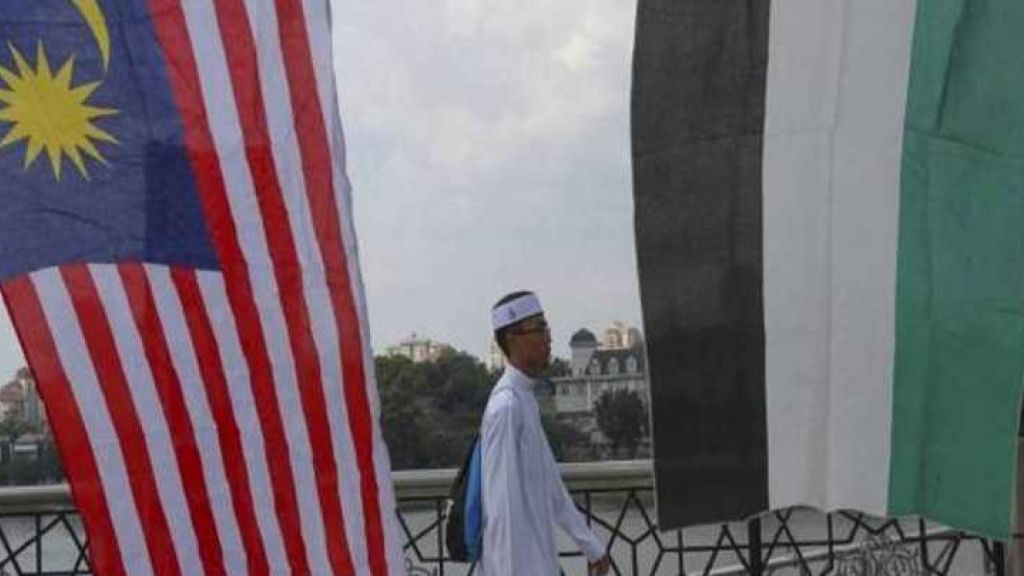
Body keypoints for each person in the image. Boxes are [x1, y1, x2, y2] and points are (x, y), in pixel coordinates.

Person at [480, 290, 611, 575]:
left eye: (547, 328)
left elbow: (551, 485)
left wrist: (590, 546)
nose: (549, 337)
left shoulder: (525, 399)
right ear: (513, 339)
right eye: (540, 329)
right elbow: (502, 509)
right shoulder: (506, 407)